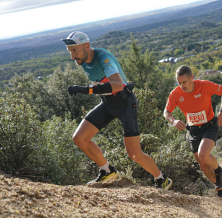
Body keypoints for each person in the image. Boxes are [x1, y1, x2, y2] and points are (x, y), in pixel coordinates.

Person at [62, 31, 172, 190]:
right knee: (79, 138)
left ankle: (162, 179)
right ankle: (107, 171)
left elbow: (117, 85)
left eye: (75, 51)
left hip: (125, 104)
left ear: (87, 45)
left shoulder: (103, 58)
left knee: (134, 153)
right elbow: (106, 86)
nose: (72, 56)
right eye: (70, 52)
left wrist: (84, 90)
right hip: (107, 103)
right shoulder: (83, 60)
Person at [163, 65, 222, 198]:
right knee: (203, 166)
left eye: (184, 82)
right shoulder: (175, 94)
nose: (181, 86)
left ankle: (219, 171)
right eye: (179, 83)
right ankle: (221, 185)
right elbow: (166, 112)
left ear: (191, 78)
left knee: (203, 154)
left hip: (209, 126)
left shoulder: (204, 85)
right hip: (193, 131)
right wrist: (174, 121)